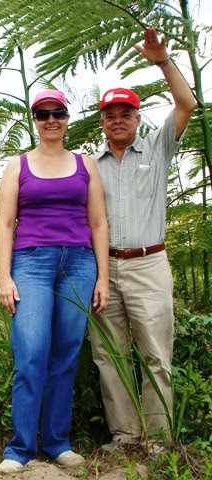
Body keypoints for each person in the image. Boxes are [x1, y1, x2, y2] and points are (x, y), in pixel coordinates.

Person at [89, 27, 197, 453]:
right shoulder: (89, 167)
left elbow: (188, 104)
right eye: (111, 114)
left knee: (155, 353)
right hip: (104, 271)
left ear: (138, 119)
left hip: (150, 264)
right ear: (102, 122)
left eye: (126, 113)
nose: (118, 119)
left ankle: (158, 440)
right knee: (109, 355)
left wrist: (162, 61)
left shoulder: (157, 149)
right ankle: (125, 435)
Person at [0, 89, 109, 473]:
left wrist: (103, 278)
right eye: (42, 114)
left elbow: (98, 223)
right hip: (31, 264)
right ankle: (20, 448)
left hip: (79, 263)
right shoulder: (17, 166)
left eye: (57, 113)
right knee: (31, 353)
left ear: (67, 117)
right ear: (35, 120)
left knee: (65, 355)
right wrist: (4, 276)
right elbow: (4, 223)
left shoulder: (85, 164)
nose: (51, 120)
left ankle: (58, 443)